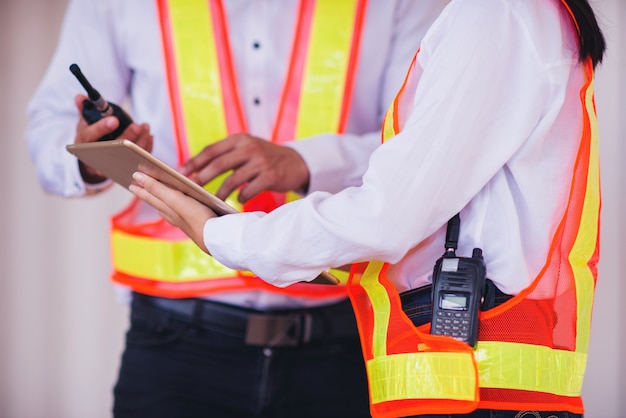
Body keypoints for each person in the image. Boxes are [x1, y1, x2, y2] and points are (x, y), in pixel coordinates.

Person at [128, 0, 606, 417]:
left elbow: (387, 217)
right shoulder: (527, 14)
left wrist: (223, 235)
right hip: (488, 387)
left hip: (474, 392)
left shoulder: (496, 14)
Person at [25, 0, 448, 417]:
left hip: (347, 339)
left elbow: (425, 144)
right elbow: (50, 126)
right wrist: (92, 158)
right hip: (174, 347)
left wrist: (308, 161)